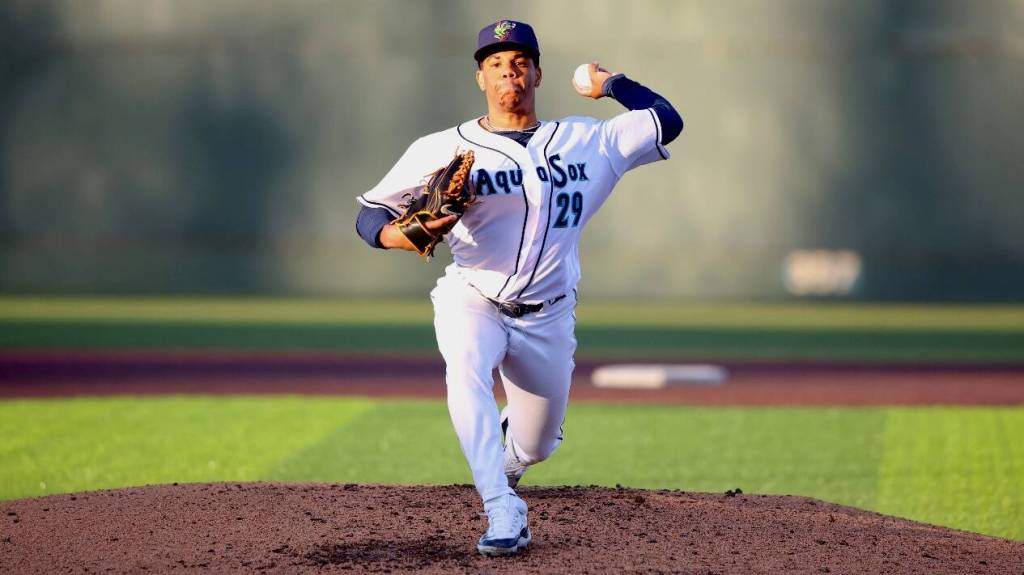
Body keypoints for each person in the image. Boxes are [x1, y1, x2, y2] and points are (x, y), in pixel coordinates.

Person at [355, 19, 682, 557]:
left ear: (537, 74)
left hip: (548, 314)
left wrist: (611, 84)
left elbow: (667, 120)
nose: (509, 72)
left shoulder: (589, 140)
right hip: (473, 297)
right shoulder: (442, 147)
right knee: (466, 371)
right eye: (496, 64)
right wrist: (397, 235)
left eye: (520, 62)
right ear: (480, 78)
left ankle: (510, 457)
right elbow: (369, 214)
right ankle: (501, 507)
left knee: (537, 444)